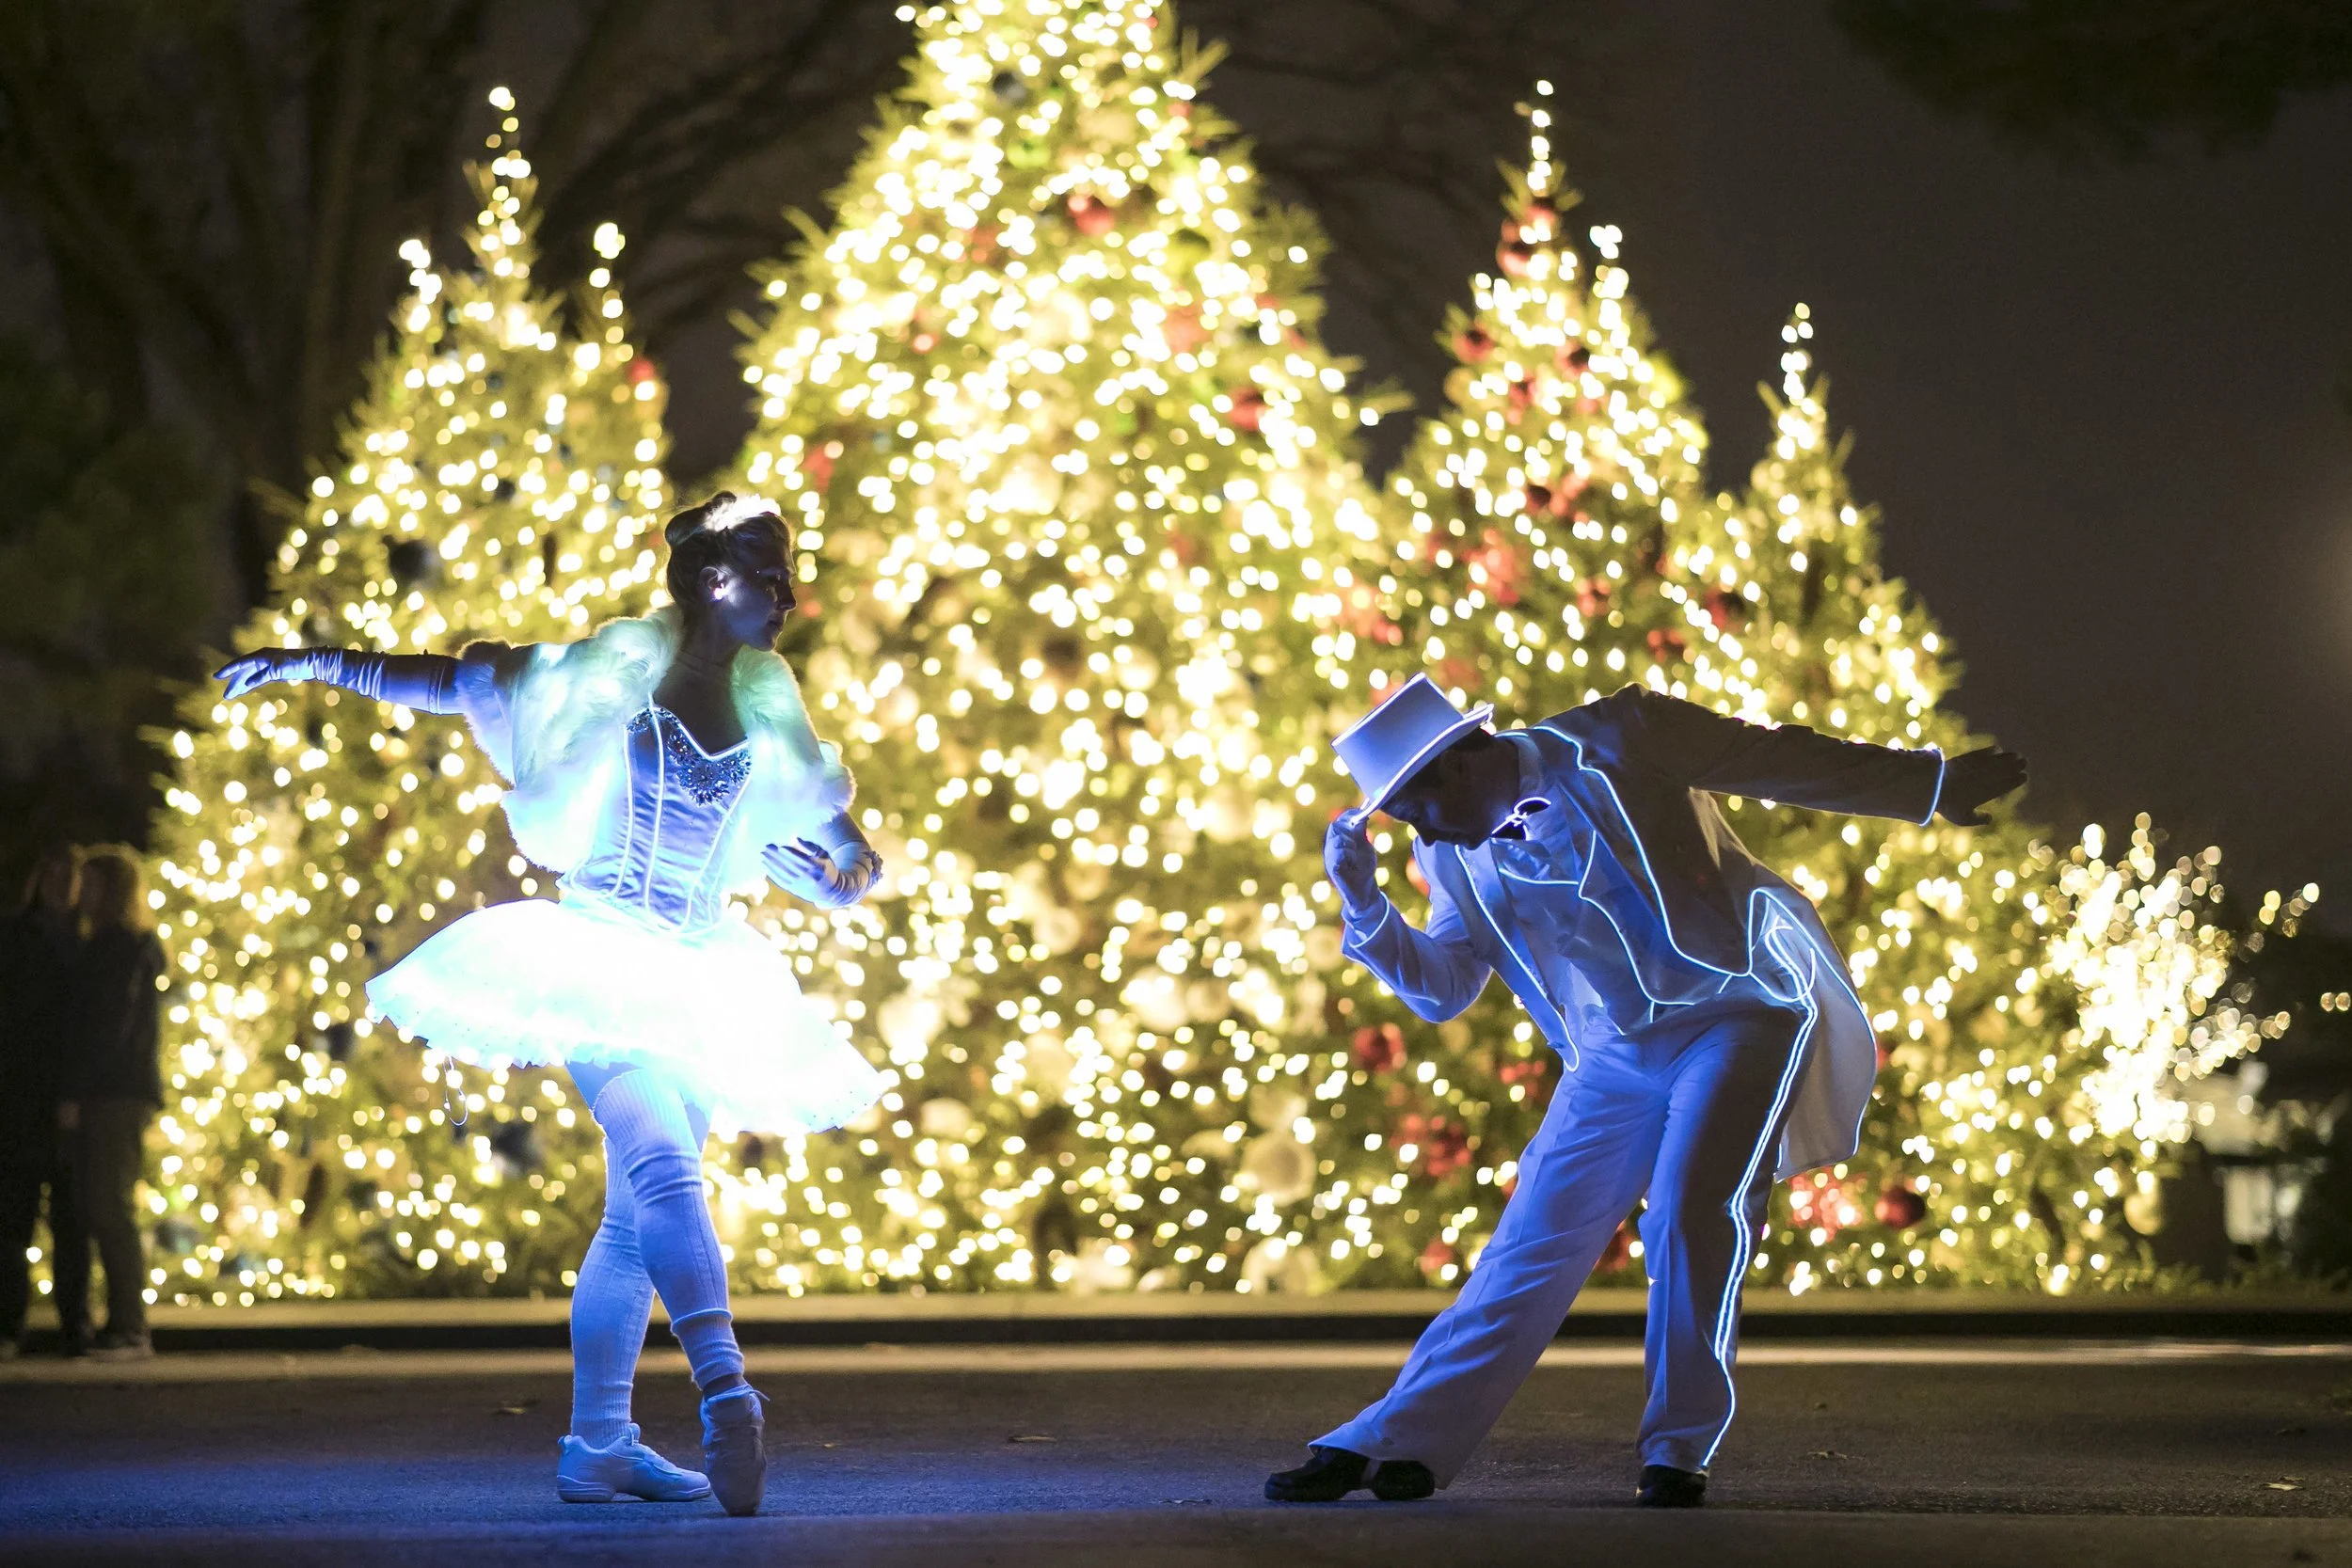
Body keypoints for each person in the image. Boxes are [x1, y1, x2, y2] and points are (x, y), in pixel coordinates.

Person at [215, 491, 885, 1515]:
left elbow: (840, 836)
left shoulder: (765, 697)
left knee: (631, 1218)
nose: (791, 596)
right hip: (599, 953)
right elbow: (465, 677)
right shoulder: (617, 671)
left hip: (705, 969)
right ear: (715, 580)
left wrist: (847, 869)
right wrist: (319, 661)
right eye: (769, 573)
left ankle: (599, 1444)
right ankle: (726, 1393)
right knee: (662, 1162)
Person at [1267, 674, 2026, 1508]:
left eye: (1414, 810)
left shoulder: (1627, 733)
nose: (1420, 833)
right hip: (1611, 1056)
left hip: (1739, 1008)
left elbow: (1776, 759)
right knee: (1530, 1243)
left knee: (1694, 1208)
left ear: (1454, 766)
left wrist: (1932, 786)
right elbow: (1446, 986)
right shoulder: (1449, 853)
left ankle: (1678, 1448)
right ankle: (1396, 1438)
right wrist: (1367, 906)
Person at [61, 845, 167, 1362]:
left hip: (114, 1091)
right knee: (102, 1204)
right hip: (121, 1088)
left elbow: (106, 1028)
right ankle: (123, 1323)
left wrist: (78, 1091)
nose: (81, 894)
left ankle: (130, 1326)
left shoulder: (117, 948)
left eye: (92, 885)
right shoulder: (122, 946)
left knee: (107, 1205)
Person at [0, 847, 89, 1357]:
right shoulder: (18, 937)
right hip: (22, 1096)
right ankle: (10, 1323)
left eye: (70, 877)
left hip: (72, 1096)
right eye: (52, 874)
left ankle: (72, 1325)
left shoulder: (88, 940)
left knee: (72, 1219)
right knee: (14, 1216)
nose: (61, 886)